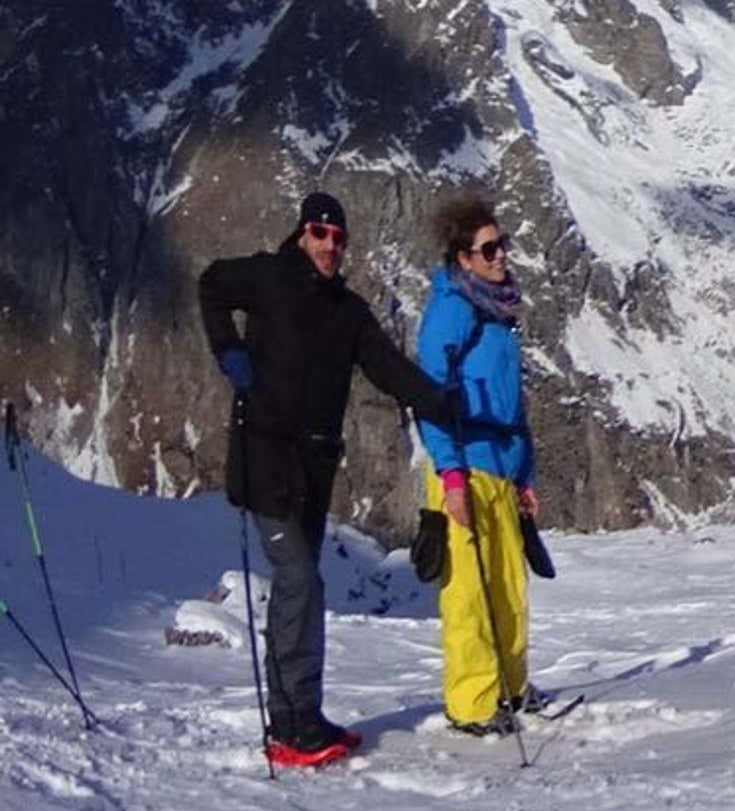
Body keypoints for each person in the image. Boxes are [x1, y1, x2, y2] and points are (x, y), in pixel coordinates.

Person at [198, 192, 459, 767]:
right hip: (264, 459)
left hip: (315, 468)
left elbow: (388, 368)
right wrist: (230, 352)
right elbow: (212, 284)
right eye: (320, 233)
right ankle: (291, 724)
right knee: (299, 582)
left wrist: (441, 404)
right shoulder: (268, 278)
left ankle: (298, 717)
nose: (329, 245)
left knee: (299, 587)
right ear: (301, 234)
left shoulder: (349, 313)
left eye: (338, 238)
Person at [413, 197, 550, 736]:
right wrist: (449, 474)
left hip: (500, 465)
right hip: (465, 463)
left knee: (507, 585)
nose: (500, 257)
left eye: (502, 245)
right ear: (463, 258)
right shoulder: (453, 308)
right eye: (487, 249)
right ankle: (471, 702)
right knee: (469, 590)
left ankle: (510, 686)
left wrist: (524, 475)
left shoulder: (496, 313)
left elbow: (512, 403)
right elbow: (432, 389)